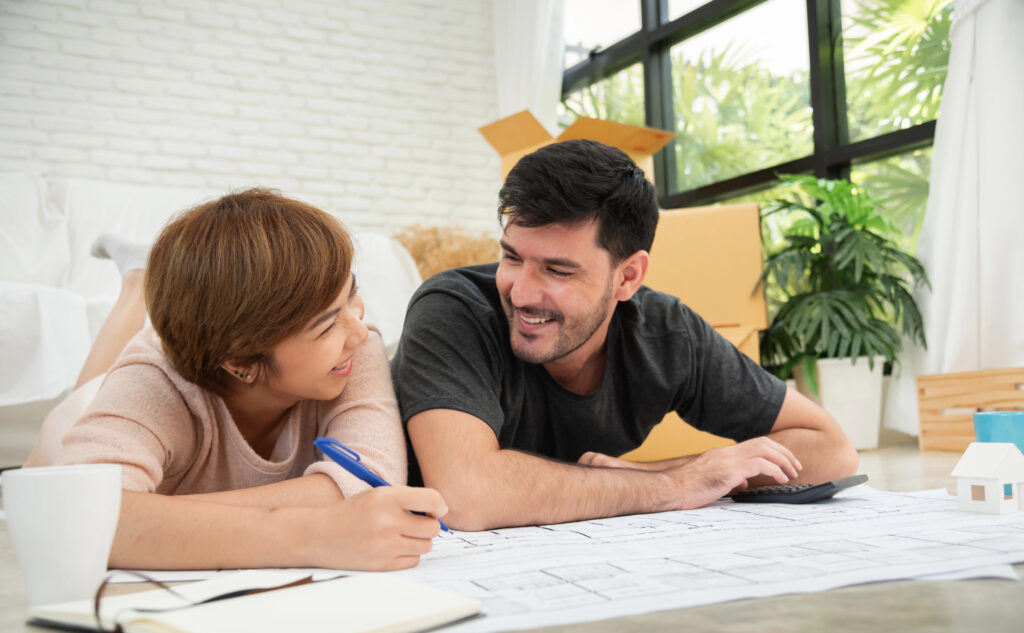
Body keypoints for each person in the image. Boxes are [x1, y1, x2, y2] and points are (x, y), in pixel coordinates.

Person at [391, 139, 858, 531]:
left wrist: (656, 472)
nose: (522, 291)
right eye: (512, 257)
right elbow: (467, 494)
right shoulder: (453, 311)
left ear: (627, 277)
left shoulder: (665, 334)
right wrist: (675, 484)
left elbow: (831, 451)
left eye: (557, 270)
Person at [26, 188, 446, 571]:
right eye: (324, 327)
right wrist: (314, 533)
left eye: (351, 295)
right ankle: (137, 283)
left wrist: (157, 515)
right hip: (84, 418)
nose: (359, 330)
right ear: (241, 361)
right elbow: (80, 515)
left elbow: (366, 483)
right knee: (93, 388)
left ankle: (140, 276)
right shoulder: (151, 382)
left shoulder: (353, 347)